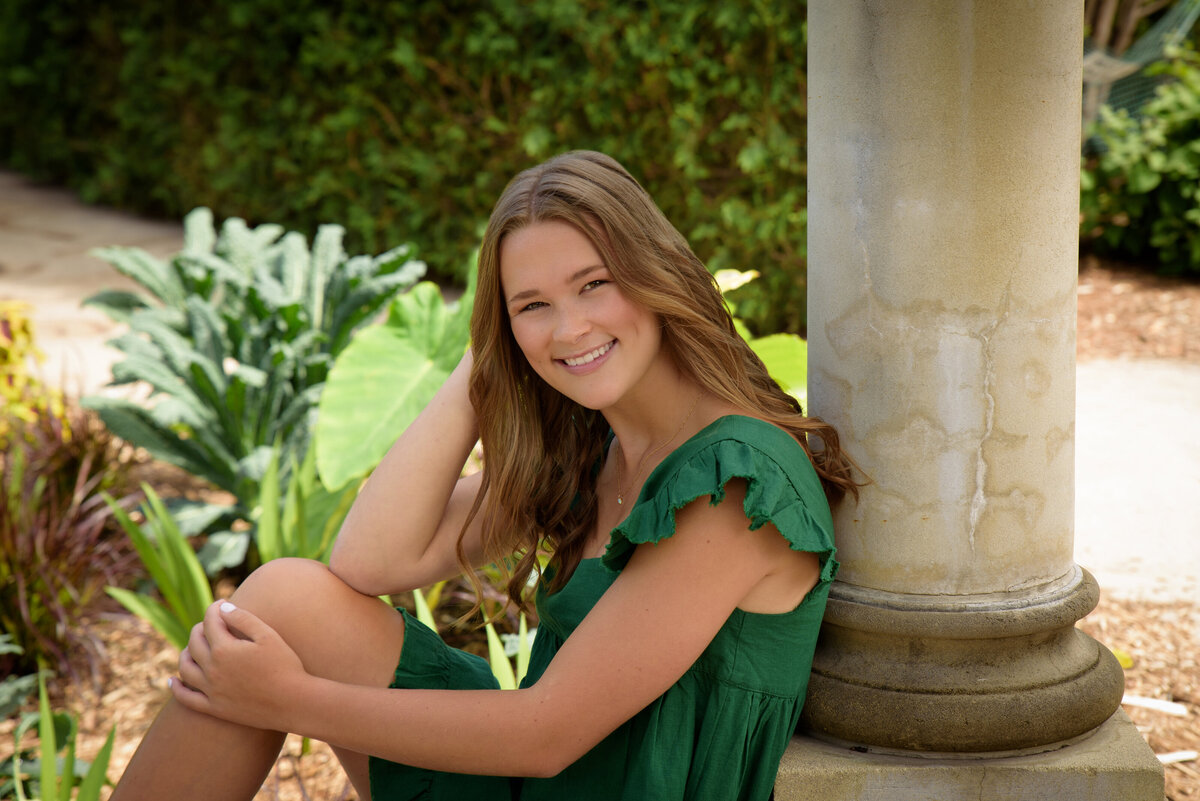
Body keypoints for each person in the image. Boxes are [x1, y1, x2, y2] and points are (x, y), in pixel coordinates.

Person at [111, 150, 859, 801]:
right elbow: (369, 562)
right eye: (532, 304)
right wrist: (487, 357)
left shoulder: (736, 483)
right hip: (543, 786)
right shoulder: (598, 449)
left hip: (581, 777)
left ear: (651, 271)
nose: (569, 329)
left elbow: (548, 732)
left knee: (264, 641)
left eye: (593, 284)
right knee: (285, 597)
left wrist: (291, 699)